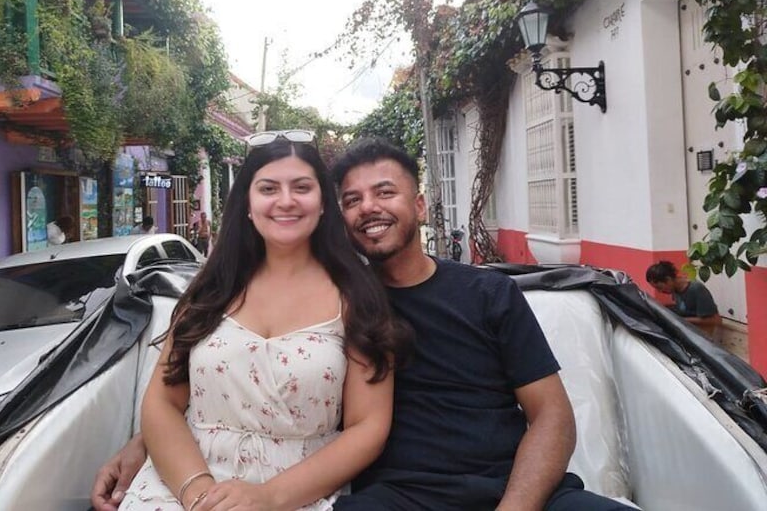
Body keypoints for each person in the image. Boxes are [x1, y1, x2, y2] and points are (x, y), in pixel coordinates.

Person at [93, 138, 630, 511]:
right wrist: (148, 441)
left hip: (519, 490)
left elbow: (552, 416)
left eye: (385, 193)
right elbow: (214, 384)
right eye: (353, 199)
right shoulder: (351, 298)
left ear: (419, 203)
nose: (369, 208)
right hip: (395, 497)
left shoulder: (475, 294)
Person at [112, 133, 408, 511]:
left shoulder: (357, 297)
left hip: (298, 492)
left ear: (322, 205)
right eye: (269, 188)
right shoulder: (211, 290)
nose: (286, 200)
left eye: (301, 187)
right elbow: (162, 402)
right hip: (180, 485)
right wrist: (199, 495)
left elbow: (368, 427)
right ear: (248, 205)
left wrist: (268, 498)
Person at [646, 260, 722, 338]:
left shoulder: (696, 289)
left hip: (701, 338)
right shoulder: (675, 290)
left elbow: (716, 320)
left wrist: (681, 320)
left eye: (660, 287)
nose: (660, 291)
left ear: (668, 279)